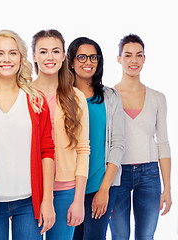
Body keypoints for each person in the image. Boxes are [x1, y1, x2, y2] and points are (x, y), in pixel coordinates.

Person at [0, 29, 55, 240]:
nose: (6, 59)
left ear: (21, 58)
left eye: (13, 53)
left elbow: (47, 151)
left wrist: (47, 200)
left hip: (28, 202)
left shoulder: (36, 100)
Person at [109, 34, 172, 240]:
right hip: (117, 174)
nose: (133, 60)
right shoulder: (108, 96)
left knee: (146, 236)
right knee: (120, 235)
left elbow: (163, 143)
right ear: (119, 59)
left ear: (145, 58)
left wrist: (167, 188)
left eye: (139, 55)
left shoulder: (157, 98)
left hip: (149, 175)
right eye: (128, 55)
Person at [31, 29, 90, 240]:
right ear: (34, 56)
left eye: (56, 51)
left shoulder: (76, 97)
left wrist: (79, 199)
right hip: (32, 190)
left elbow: (83, 149)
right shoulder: (25, 95)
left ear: (64, 55)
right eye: (43, 51)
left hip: (66, 191)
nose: (50, 57)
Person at [66, 37, 125, 240]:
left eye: (93, 57)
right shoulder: (63, 97)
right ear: (71, 62)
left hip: (101, 185)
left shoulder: (111, 97)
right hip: (68, 187)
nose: (88, 62)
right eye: (81, 57)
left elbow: (118, 144)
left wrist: (104, 189)